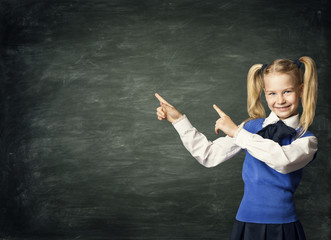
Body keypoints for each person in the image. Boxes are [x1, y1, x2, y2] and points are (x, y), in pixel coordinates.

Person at [154, 56, 318, 240]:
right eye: (272, 93)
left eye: (287, 91)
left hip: (284, 227)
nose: (280, 100)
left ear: (301, 90)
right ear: (265, 93)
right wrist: (178, 121)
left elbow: (283, 161)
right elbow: (208, 155)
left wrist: (236, 133)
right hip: (246, 224)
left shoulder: (306, 140)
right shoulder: (251, 128)